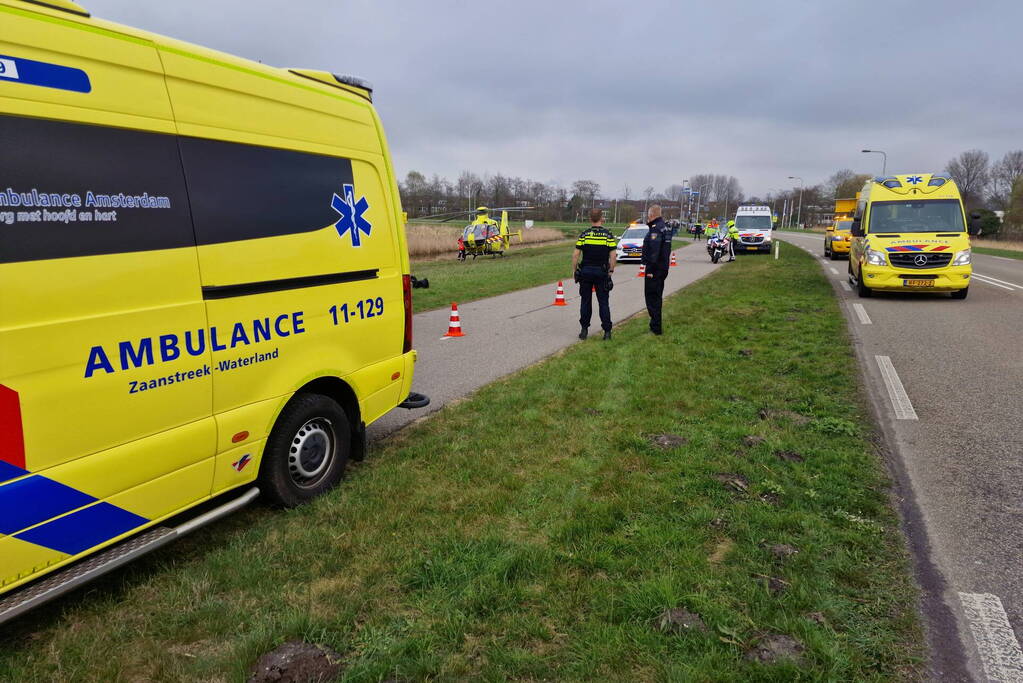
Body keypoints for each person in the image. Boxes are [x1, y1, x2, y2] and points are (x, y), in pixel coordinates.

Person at [572, 209, 617, 340]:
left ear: (590, 219)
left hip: (586, 272)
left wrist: (575, 270)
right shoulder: (608, 235)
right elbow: (613, 256)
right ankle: (607, 332)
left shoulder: (584, 234)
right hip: (601, 272)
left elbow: (575, 255)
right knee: (603, 302)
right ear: (602, 218)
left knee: (585, 302)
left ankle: (584, 330)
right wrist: (611, 271)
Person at [641, 204, 673, 335]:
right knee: (656, 297)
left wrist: (649, 270)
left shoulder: (656, 229)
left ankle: (655, 328)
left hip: (655, 269)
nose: (647, 218)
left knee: (652, 297)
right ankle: (655, 325)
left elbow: (654, 252)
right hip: (662, 267)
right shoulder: (664, 227)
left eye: (648, 215)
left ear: (651, 215)